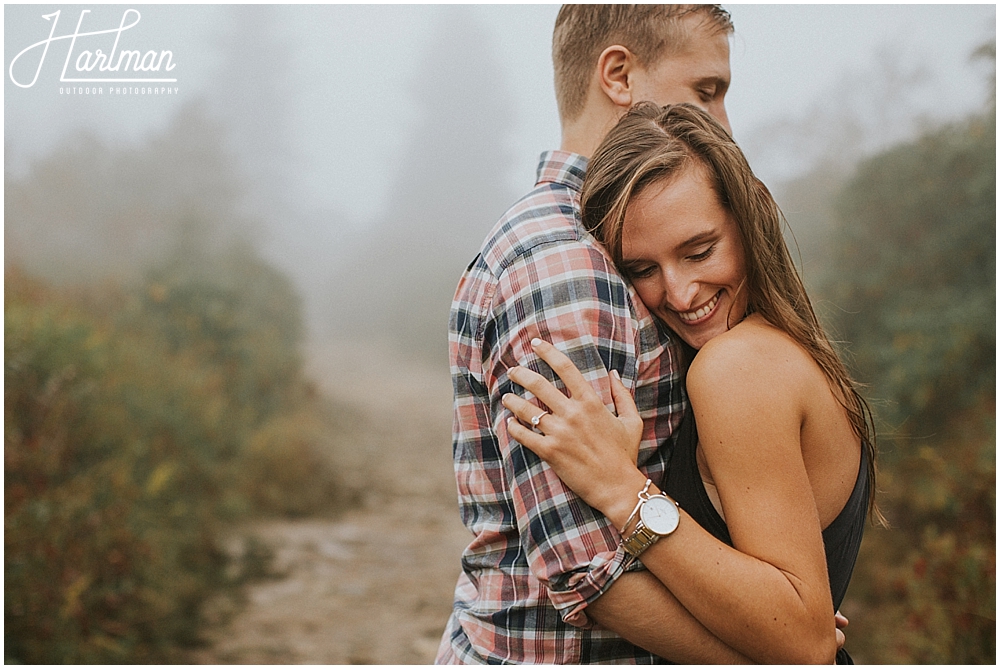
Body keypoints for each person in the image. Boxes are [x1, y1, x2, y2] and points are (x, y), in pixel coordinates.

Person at [436, 5, 765, 664]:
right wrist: (776, 650)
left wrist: (769, 604)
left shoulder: (607, 242)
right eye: (705, 90)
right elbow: (590, 573)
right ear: (618, 74)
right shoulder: (564, 263)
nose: (723, 122)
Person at [500, 102, 878, 664]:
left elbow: (804, 641)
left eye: (700, 251)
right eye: (643, 271)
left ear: (750, 221)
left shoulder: (736, 370)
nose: (678, 293)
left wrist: (621, 489)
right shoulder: (781, 349)